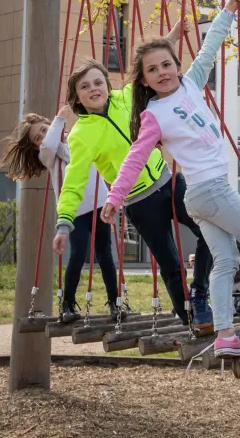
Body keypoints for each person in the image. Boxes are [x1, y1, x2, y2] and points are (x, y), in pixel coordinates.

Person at [101, 0, 240, 359]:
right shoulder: (153, 116)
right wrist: (115, 197)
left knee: (226, 260)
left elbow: (210, 46)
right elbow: (135, 158)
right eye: (153, 70)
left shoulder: (190, 83)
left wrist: (229, 11)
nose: (162, 72)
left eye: (166, 64)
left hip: (197, 196)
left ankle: (224, 335)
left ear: (175, 64)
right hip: (211, 190)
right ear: (144, 80)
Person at [53, 19, 215, 335]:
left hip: (169, 183)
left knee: (213, 230)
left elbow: (148, 66)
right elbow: (73, 182)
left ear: (107, 84)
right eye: (84, 87)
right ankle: (193, 320)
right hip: (140, 203)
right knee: (170, 263)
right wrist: (64, 223)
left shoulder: (125, 98)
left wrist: (171, 37)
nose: (93, 89)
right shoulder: (81, 135)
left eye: (98, 82)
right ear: (76, 97)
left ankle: (200, 291)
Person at [0, 108, 120, 323]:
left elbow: (80, 153)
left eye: (45, 130)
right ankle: (67, 305)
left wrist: (58, 128)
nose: (44, 137)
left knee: (105, 255)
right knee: (78, 254)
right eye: (38, 137)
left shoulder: (76, 138)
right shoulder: (48, 156)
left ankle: (115, 303)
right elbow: (51, 147)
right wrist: (59, 119)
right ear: (36, 146)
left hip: (99, 203)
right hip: (75, 211)